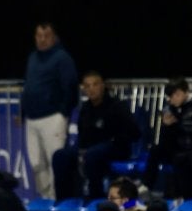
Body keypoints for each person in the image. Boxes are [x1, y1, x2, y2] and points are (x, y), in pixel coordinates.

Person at [51, 71, 141, 200]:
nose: (91, 89)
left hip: (117, 147)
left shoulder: (118, 106)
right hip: (90, 148)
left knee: (92, 155)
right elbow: (82, 135)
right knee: (60, 155)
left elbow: (135, 133)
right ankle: (63, 199)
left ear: (103, 85)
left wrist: (116, 139)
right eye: (87, 86)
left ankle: (95, 196)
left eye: (95, 84)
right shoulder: (85, 108)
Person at [21, 21, 79, 200]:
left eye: (46, 36)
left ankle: (56, 198)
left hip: (53, 117)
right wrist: (23, 112)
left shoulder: (62, 58)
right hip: (32, 118)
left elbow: (70, 86)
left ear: (54, 37)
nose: (42, 39)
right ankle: (45, 197)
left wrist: (63, 112)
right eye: (39, 36)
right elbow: (28, 86)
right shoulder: (32, 57)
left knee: (55, 161)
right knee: (36, 163)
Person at [142, 78, 192, 197]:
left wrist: (177, 124)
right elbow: (167, 138)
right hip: (177, 146)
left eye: (177, 94)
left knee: (183, 158)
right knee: (156, 149)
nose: (174, 98)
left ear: (186, 92)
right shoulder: (170, 108)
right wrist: (167, 126)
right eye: (171, 95)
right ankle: (146, 185)